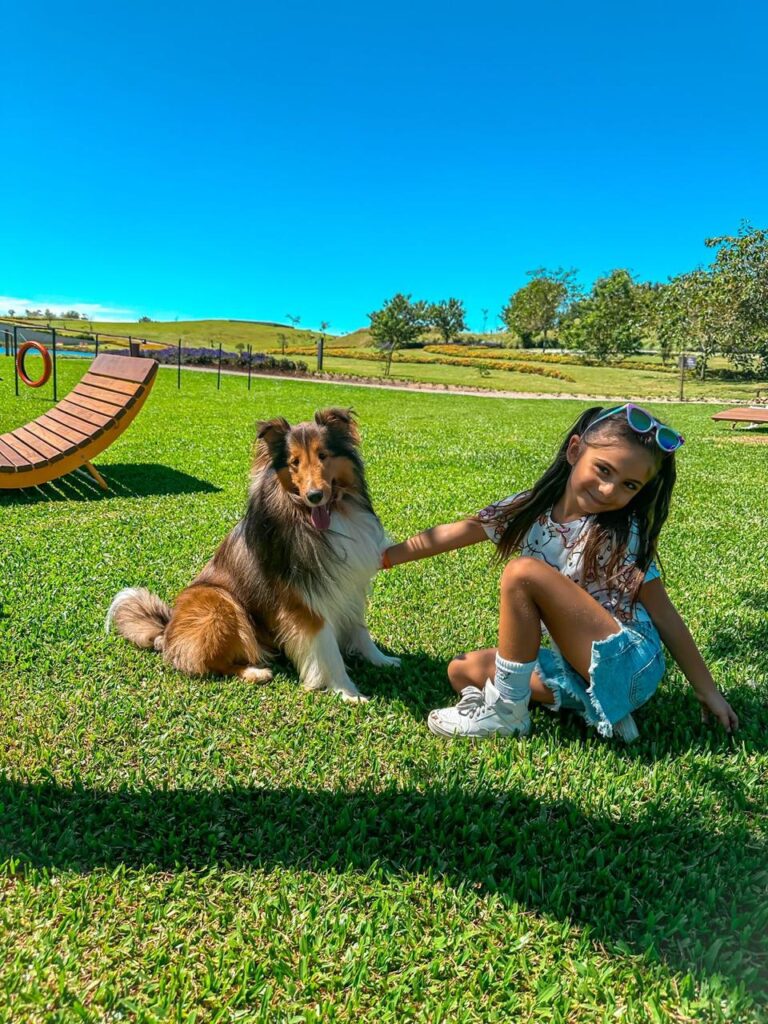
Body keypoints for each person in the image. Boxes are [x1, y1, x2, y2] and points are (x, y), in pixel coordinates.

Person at [380, 403, 738, 742]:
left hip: (629, 663)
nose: (610, 489)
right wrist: (380, 558)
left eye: (630, 485)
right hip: (578, 667)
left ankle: (508, 713)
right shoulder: (530, 507)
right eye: (603, 469)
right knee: (462, 670)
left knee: (523, 573)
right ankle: (600, 709)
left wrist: (707, 691)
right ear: (574, 451)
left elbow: (663, 614)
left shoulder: (619, 533)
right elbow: (454, 533)